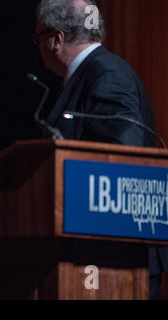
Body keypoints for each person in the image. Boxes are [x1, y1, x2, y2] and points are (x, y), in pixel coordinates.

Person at [34, 0, 166, 299]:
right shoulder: (93, 73)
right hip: (99, 250)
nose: (37, 47)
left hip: (113, 254)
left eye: (37, 38)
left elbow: (121, 155)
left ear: (56, 38)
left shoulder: (107, 74)